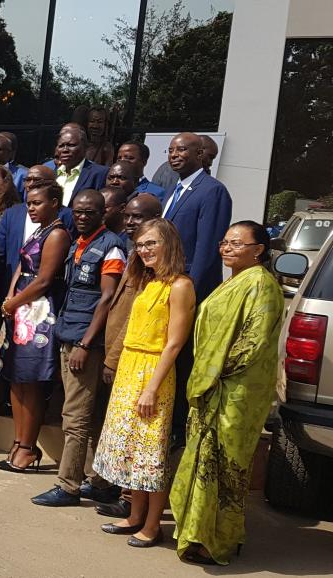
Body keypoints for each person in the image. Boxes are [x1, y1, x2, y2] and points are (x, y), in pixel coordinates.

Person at [169, 221, 283, 565]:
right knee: (204, 460)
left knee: (224, 466)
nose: (227, 248)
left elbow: (253, 343)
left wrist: (212, 376)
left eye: (236, 243)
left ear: (258, 249)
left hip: (235, 393)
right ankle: (194, 533)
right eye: (224, 243)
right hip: (213, 387)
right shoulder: (233, 282)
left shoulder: (262, 285)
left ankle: (217, 540)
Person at [88, 219, 194, 548]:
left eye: (151, 244)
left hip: (153, 373)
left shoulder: (180, 285)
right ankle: (134, 516)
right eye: (141, 245)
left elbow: (174, 344)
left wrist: (151, 387)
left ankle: (151, 525)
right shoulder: (149, 281)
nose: (144, 250)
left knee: (151, 453)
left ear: (169, 245)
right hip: (129, 370)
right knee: (132, 450)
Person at [30, 189, 127, 507]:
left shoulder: (111, 246)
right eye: (79, 211)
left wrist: (86, 344)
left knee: (75, 416)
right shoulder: (77, 244)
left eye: (90, 212)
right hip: (69, 335)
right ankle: (98, 480)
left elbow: (107, 298)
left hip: (86, 342)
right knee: (92, 414)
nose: (82, 216)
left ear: (103, 213)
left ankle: (68, 485)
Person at [95, 192, 164, 520]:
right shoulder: (133, 255)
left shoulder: (157, 273)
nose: (131, 222)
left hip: (138, 363)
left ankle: (128, 498)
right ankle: (114, 487)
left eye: (140, 218)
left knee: (138, 436)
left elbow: (135, 322)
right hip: (122, 358)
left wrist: (113, 357)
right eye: (129, 216)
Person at [0, 183, 70, 471]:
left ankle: (28, 447)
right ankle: (18, 441)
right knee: (16, 378)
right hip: (19, 307)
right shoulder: (39, 230)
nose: (31, 208)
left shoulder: (57, 234)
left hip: (38, 312)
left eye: (38, 203)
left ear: (55, 203)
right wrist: (10, 298)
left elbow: (43, 280)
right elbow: (21, 266)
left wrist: (13, 303)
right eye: (29, 203)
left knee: (32, 381)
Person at [162, 132, 232, 302]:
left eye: (181, 149)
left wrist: (191, 289)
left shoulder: (212, 190)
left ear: (199, 154)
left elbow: (207, 248)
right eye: (170, 151)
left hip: (189, 286)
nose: (174, 155)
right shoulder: (172, 190)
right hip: (165, 278)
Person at [45, 125, 108, 207]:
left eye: (71, 145)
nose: (65, 150)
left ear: (85, 148)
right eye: (61, 146)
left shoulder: (100, 174)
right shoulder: (51, 174)